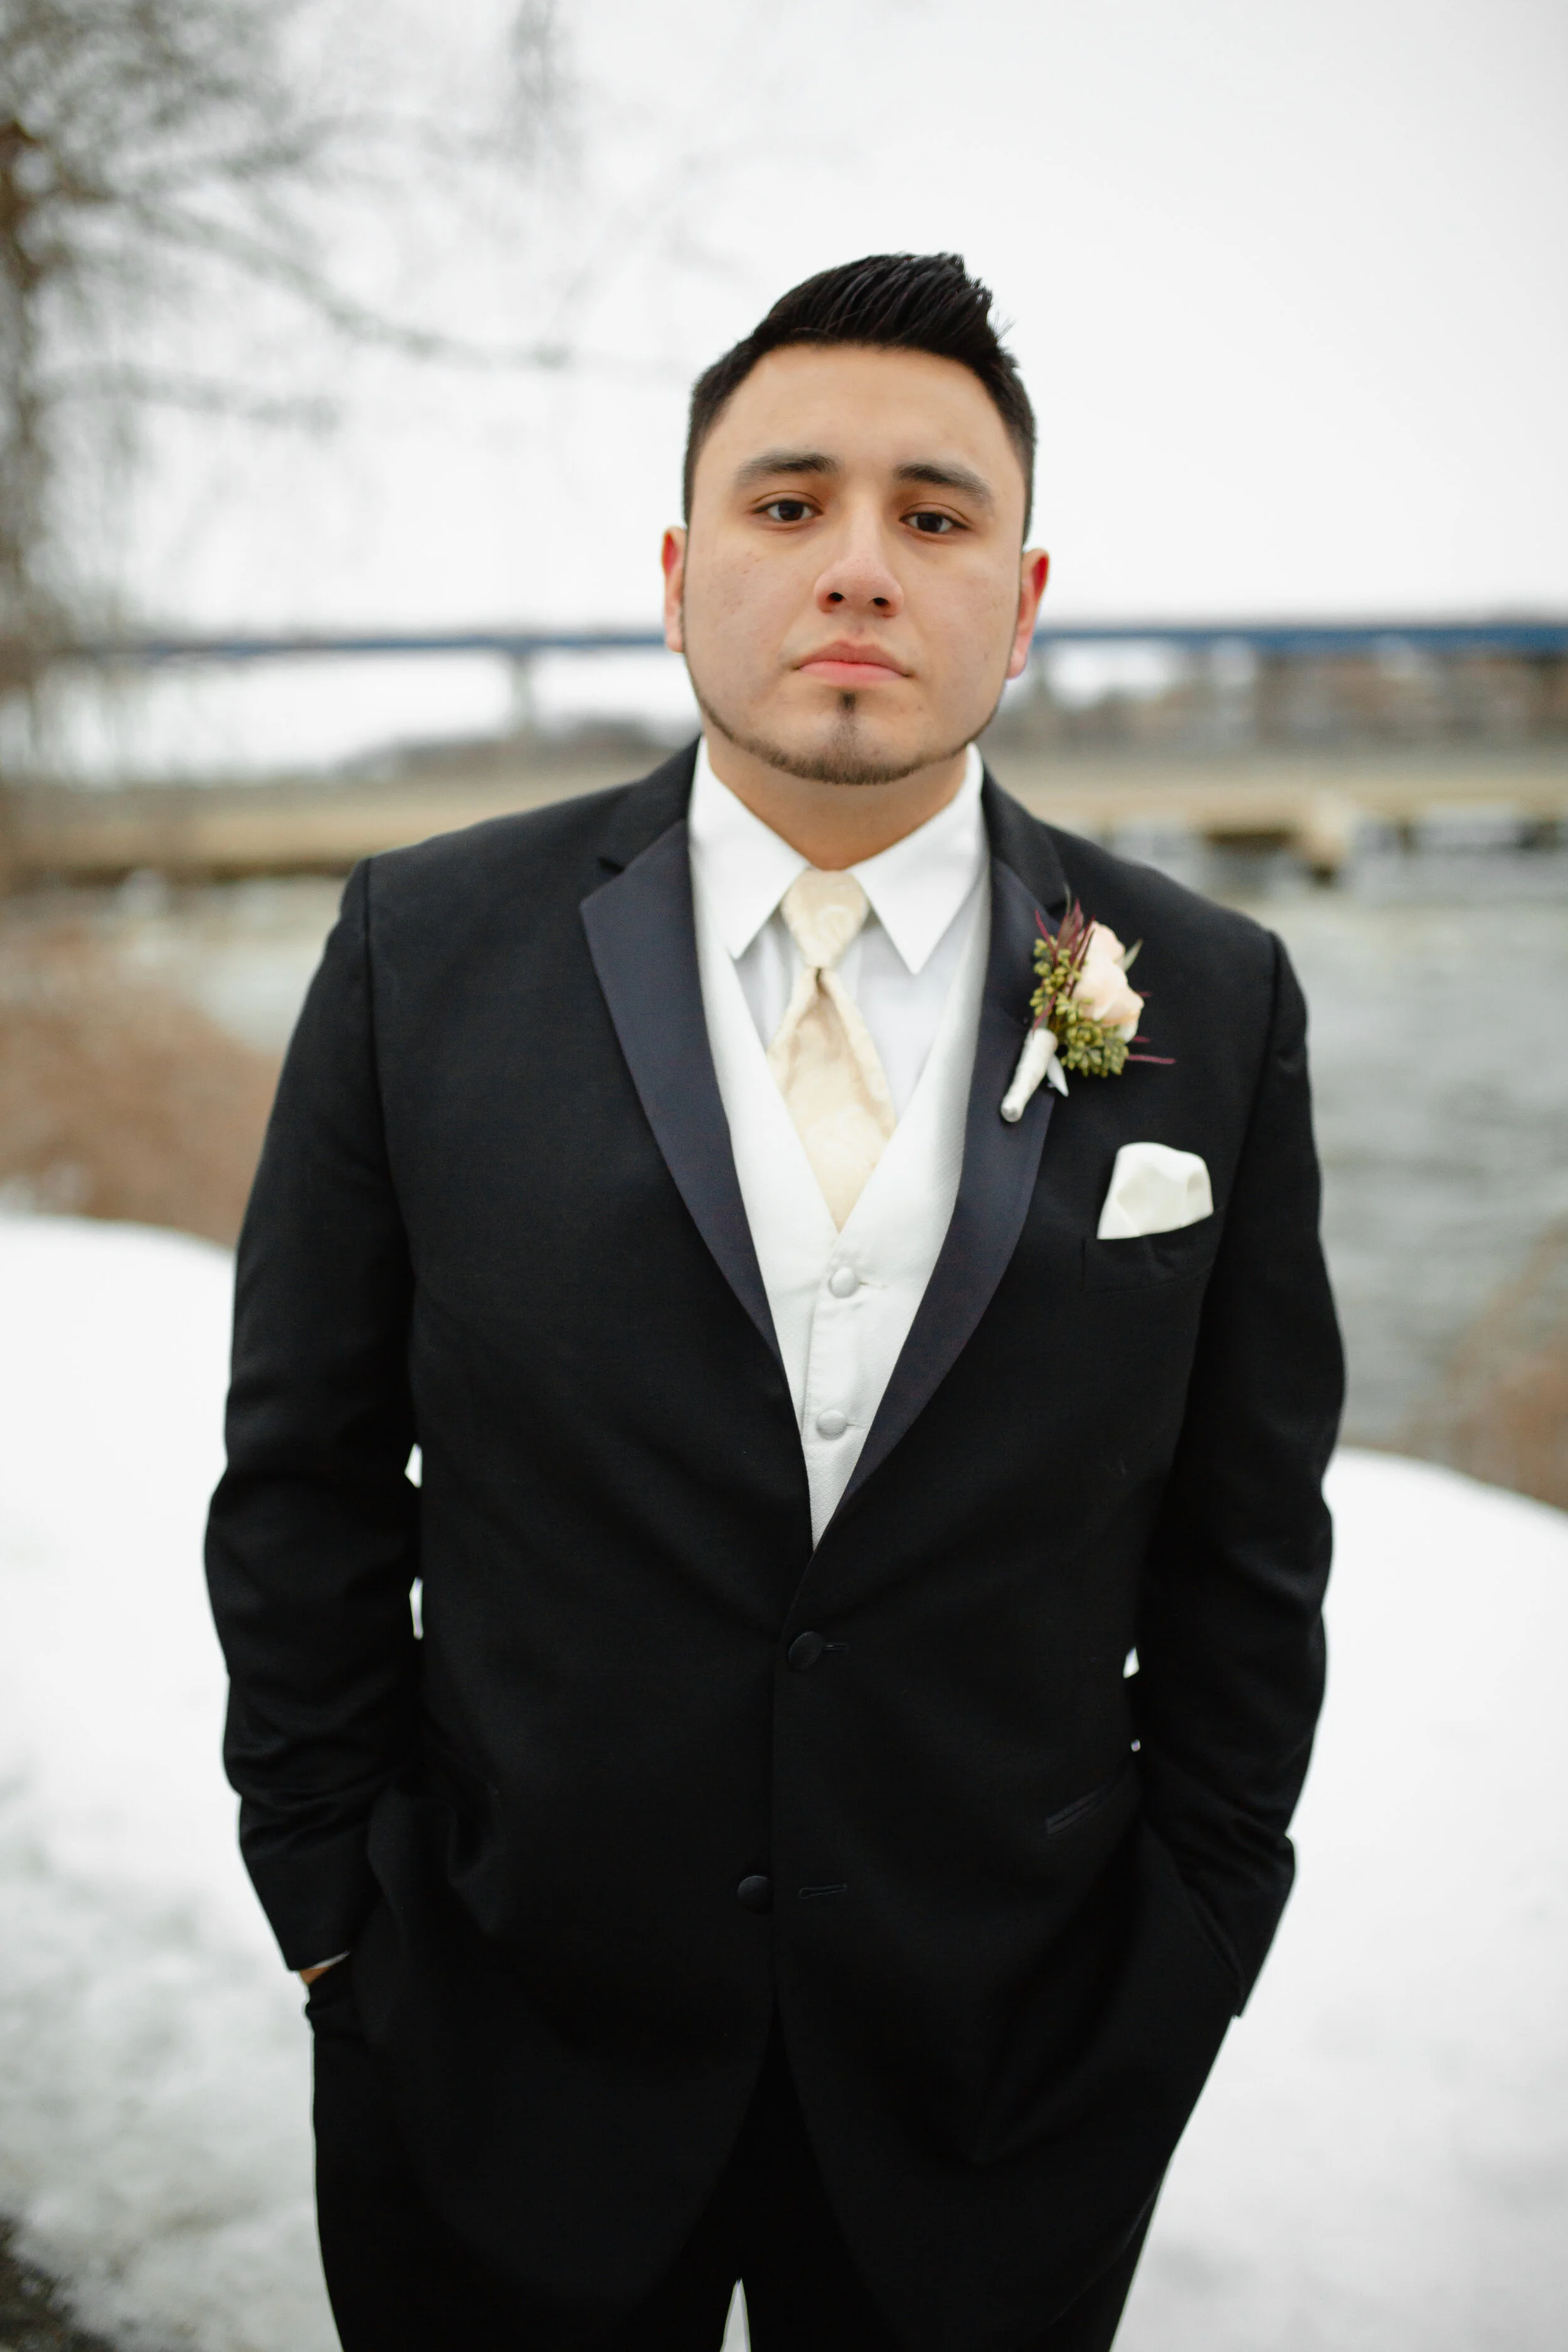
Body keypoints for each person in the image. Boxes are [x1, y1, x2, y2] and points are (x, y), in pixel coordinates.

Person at [206, 252, 1343, 2352]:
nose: (859, 565)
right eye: (788, 500)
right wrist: (333, 1906)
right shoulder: (419, 949)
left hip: (1003, 2079)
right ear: (674, 575)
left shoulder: (1208, 992)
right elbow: (304, 1477)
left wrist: (1196, 1930)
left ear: (1022, 598)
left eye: (935, 515)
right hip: (497, 2040)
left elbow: (1245, 1533)